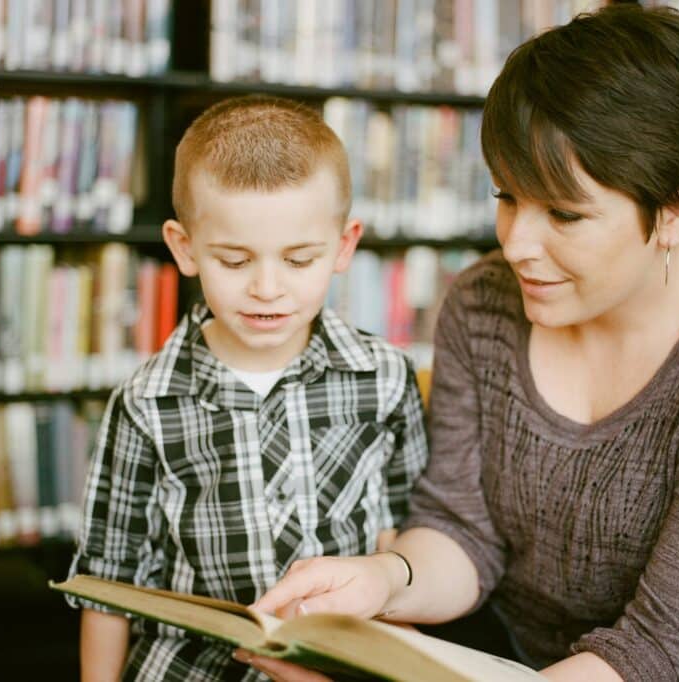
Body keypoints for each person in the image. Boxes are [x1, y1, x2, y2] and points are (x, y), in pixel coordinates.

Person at [243, 5, 679, 682]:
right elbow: (462, 531)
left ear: (676, 210)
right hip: (509, 655)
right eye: (507, 197)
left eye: (563, 213)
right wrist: (383, 579)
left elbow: (662, 650)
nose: (517, 244)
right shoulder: (482, 303)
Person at [66, 95, 429, 681]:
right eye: (235, 261)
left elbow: (405, 532)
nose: (267, 288)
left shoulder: (385, 376)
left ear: (343, 246)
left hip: (339, 667)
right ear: (185, 248)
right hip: (191, 669)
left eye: (298, 260)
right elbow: (108, 581)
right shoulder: (145, 403)